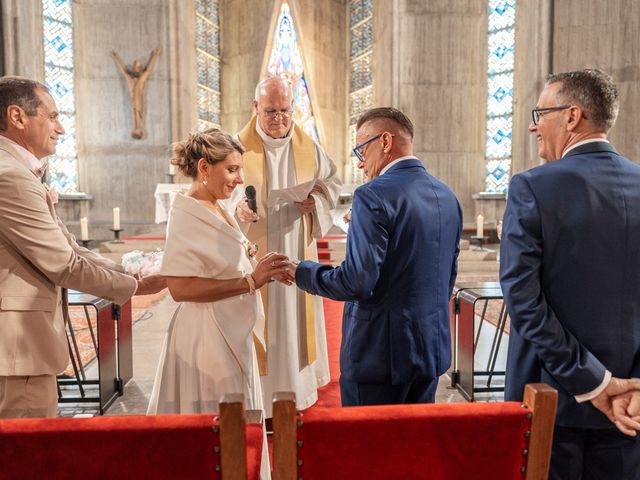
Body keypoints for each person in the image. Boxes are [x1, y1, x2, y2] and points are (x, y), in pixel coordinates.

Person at [500, 69, 640, 479]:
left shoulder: (532, 187)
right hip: (631, 407)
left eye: (539, 113)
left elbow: (524, 303)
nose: (532, 124)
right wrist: (631, 386)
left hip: (552, 402)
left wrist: (594, 383)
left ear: (572, 116)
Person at [0, 76, 165, 418]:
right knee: (25, 455)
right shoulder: (10, 176)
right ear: (18, 117)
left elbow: (69, 246)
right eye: (53, 116)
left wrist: (125, 270)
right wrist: (135, 286)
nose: (60, 128)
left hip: (21, 348)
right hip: (17, 350)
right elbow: (65, 265)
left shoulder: (19, 171)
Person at [289, 107, 462, 406]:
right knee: (413, 446)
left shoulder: (373, 195)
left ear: (385, 141)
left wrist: (301, 271)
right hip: (430, 351)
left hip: (379, 357)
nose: (359, 162)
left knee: (367, 450)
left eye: (361, 149)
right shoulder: (446, 195)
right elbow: (447, 276)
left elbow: (356, 282)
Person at [148, 128, 290, 417]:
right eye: (232, 169)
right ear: (204, 167)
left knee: (237, 414)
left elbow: (221, 259)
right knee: (220, 421)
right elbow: (180, 289)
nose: (240, 179)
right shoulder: (186, 213)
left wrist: (263, 268)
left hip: (229, 327)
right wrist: (250, 281)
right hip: (206, 336)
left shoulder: (216, 205)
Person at [230, 76, 341, 415]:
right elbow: (220, 190)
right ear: (254, 108)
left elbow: (331, 186)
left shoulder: (310, 147)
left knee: (293, 320)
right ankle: (258, 396)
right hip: (253, 254)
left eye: (284, 110)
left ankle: (295, 390)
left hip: (295, 249)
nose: (278, 118)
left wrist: (315, 203)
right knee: (258, 322)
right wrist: (237, 208)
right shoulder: (235, 146)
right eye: (270, 111)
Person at [111, 48, 160, 139]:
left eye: (137, 68)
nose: (135, 69)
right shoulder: (130, 79)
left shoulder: (142, 78)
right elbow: (123, 70)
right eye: (134, 68)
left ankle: (137, 128)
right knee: (135, 113)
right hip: (133, 100)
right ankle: (136, 128)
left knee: (136, 113)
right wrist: (116, 58)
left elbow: (148, 70)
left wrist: (155, 56)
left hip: (138, 101)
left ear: (140, 70)